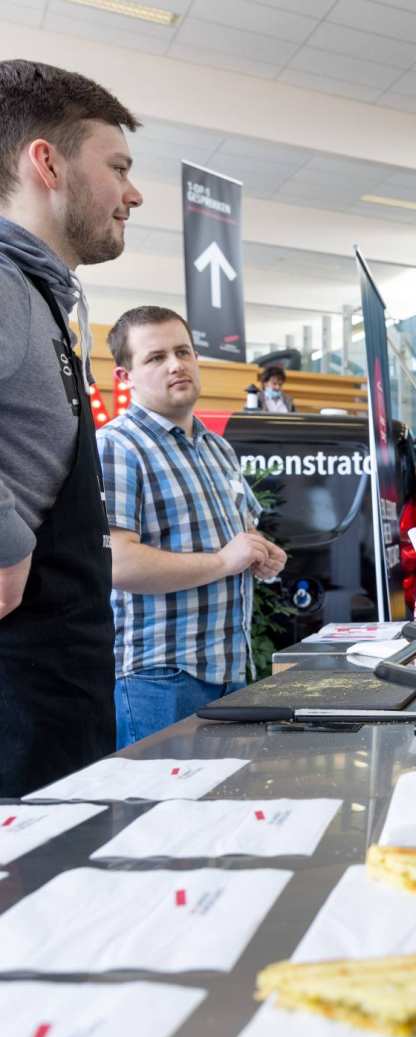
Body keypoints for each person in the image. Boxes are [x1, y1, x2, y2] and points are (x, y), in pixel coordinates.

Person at [0, 60, 143, 796]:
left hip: (55, 720)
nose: (134, 193)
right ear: (47, 163)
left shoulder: (41, 299)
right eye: (117, 166)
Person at [97, 306, 287, 747]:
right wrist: (223, 561)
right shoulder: (116, 447)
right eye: (155, 357)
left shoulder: (216, 447)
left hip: (228, 670)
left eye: (183, 351)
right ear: (125, 377)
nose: (176, 365)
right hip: (158, 679)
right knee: (162, 813)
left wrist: (261, 551)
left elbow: (239, 535)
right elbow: (118, 563)